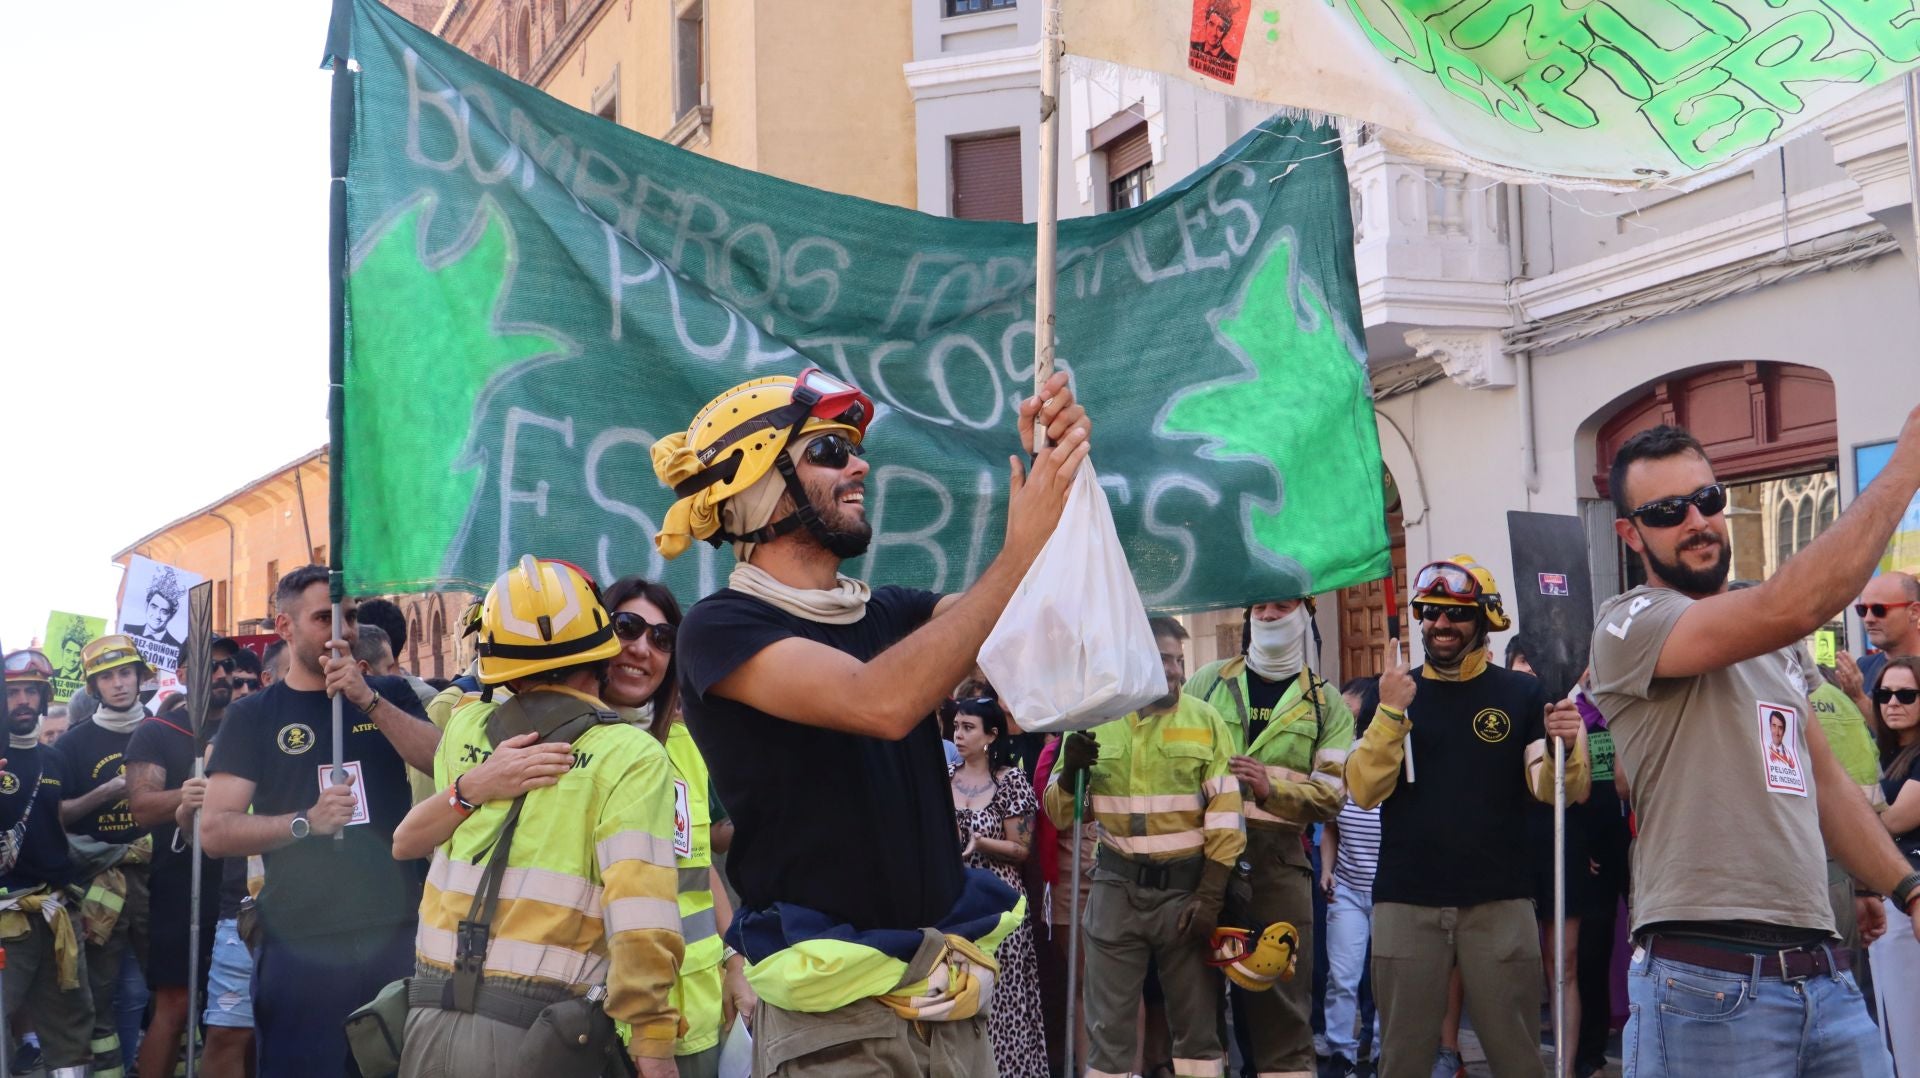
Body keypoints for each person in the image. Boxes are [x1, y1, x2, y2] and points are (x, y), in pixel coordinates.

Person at [653, 366, 1089, 1075]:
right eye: (830, 451)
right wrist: (1016, 552)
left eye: (854, 450)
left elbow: (1035, 625)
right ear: (759, 486)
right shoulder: (719, 629)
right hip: (837, 1027)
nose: (860, 465)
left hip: (946, 1007)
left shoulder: (890, 612)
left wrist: (1060, 477)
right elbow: (877, 703)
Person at [1588, 419, 1920, 1077]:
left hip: (1824, 976)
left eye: (1708, 500)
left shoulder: (1776, 641)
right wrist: (1906, 464)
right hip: (1705, 979)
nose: (1697, 521)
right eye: (1666, 511)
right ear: (1630, 533)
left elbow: (1824, 785)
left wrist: (1904, 888)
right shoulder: (1627, 623)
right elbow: (1791, 606)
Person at [385, 557, 684, 1077]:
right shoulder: (629, 755)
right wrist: (653, 1043)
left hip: (430, 1020)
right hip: (545, 1038)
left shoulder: (465, 729)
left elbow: (407, 841)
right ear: (604, 647)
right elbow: (641, 921)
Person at [1346, 556, 1589, 1078]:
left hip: (1499, 903)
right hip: (1405, 904)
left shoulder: (1523, 694)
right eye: (1430, 612)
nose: (1440, 624)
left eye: (1455, 613)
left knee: (1519, 1060)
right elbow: (1364, 791)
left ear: (1485, 618)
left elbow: (1555, 793)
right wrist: (1390, 714)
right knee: (1402, 1063)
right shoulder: (1392, 695)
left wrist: (1567, 745)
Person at [201, 564, 441, 1075]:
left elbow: (442, 762)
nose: (343, 632)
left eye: (350, 617)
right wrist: (304, 822)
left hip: (395, 930)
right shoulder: (254, 717)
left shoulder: (389, 695)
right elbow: (215, 830)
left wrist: (367, 698)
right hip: (300, 940)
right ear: (285, 628)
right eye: (323, 619)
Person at [1044, 616, 1244, 1078]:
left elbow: (1226, 816)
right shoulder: (1093, 719)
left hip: (1187, 892)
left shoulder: (1205, 720)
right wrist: (1072, 772)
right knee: (1108, 1032)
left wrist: (1211, 895)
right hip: (1116, 889)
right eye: (1162, 660)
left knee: (1197, 1034)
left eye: (1178, 660)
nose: (1175, 671)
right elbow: (1059, 814)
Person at [1184, 598, 1353, 1078]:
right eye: (1261, 607)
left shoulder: (1326, 702)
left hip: (1277, 867)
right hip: (1202, 862)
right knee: (1197, 999)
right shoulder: (1208, 682)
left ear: (1302, 617)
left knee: (1280, 1001)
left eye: (1282, 607)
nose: (1269, 616)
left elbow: (1332, 795)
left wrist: (1268, 787)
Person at [597, 573, 755, 1077]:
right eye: (627, 627)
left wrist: (736, 962)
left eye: (662, 638)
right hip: (599, 1016)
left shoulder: (686, 744)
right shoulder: (563, 747)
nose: (643, 648)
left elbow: (699, 866)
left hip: (699, 1013)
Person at [125, 637, 239, 1078]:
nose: (223, 676)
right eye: (212, 667)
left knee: (235, 1014)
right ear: (186, 672)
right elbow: (141, 806)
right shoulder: (158, 731)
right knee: (175, 1003)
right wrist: (185, 795)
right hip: (179, 884)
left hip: (239, 883)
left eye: (229, 668)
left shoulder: (245, 725)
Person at [56, 634, 158, 1078]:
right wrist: (110, 789)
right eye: (106, 677)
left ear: (139, 678)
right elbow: (56, 817)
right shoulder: (71, 746)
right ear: (93, 687)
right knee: (98, 991)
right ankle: (108, 1069)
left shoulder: (166, 730)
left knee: (163, 985)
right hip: (100, 886)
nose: (118, 684)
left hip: (160, 882)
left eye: (125, 673)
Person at [2, 649, 93, 1078]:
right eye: (12, 692)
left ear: (43, 697)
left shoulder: (54, 759)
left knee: (70, 1025)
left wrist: (77, 900)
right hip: (6, 918)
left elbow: (56, 830)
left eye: (30, 692)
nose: (22, 701)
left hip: (57, 912)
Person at [946, 695, 1045, 1078]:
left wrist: (979, 841)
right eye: (956, 726)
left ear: (990, 735)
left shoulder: (1010, 780)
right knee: (958, 995)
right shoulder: (946, 777)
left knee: (1001, 998)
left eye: (968, 727)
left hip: (999, 905)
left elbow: (1022, 848)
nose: (959, 735)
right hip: (955, 903)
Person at [1321, 676, 1382, 1077]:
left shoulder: (1396, 760)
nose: (1342, 715)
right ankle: (1339, 1052)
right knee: (1342, 976)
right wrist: (1326, 871)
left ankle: (1380, 1050)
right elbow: (1330, 824)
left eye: (1350, 708)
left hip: (1390, 893)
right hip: (1346, 889)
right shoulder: (1341, 758)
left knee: (1384, 980)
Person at [1868, 656, 1920, 1073]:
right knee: (1893, 1027)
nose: (1893, 703)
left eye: (1906, 694)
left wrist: (1851, 816)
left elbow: (1898, 818)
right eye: (1884, 694)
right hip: (1885, 899)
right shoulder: (1879, 751)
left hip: (1910, 901)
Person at [1847, 570, 1920, 708]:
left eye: (1879, 609)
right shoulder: (1862, 668)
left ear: (1914, 612)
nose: (1868, 619)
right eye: (1862, 610)